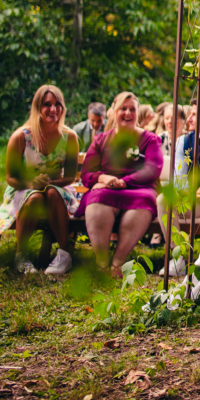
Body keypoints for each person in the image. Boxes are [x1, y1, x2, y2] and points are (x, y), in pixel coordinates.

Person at [0, 85, 80, 275]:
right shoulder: (21, 137)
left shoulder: (69, 137)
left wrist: (52, 183)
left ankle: (64, 256)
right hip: (23, 188)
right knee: (35, 197)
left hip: (57, 189)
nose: (53, 109)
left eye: (58, 104)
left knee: (51, 193)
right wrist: (32, 184)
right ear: (37, 107)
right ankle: (21, 256)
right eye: (47, 104)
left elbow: (70, 177)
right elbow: (11, 177)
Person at [77, 91, 164, 276]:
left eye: (132, 109)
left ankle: (118, 261)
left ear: (137, 113)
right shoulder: (101, 140)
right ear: (113, 112)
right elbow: (87, 173)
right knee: (96, 196)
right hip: (107, 189)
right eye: (123, 109)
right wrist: (103, 178)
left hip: (140, 188)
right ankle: (101, 261)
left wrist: (123, 182)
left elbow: (152, 169)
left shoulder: (150, 139)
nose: (127, 113)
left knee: (145, 199)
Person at [158, 96, 200, 274]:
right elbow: (179, 180)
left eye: (193, 114)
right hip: (197, 202)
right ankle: (179, 258)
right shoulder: (183, 142)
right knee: (163, 200)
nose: (188, 119)